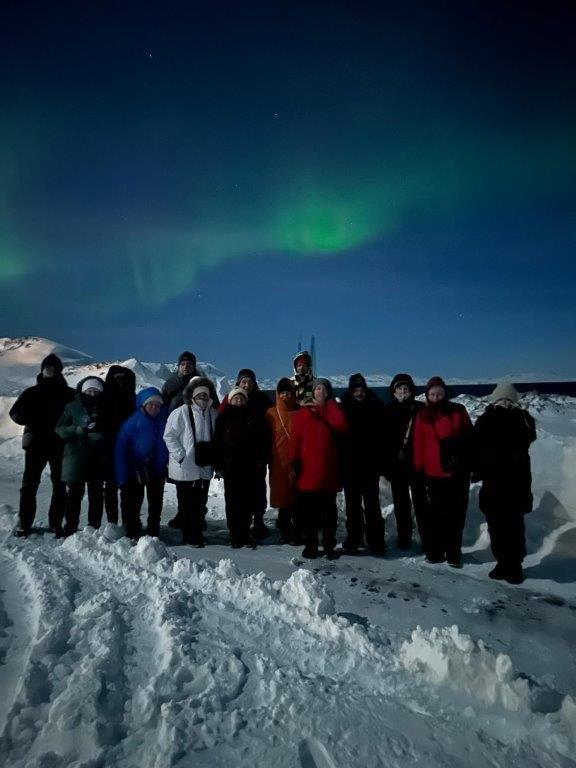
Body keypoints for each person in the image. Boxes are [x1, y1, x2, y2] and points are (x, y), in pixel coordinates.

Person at [473, 382, 536, 585]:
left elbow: (528, 437)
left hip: (516, 484)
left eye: (509, 400)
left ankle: (515, 565)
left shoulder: (522, 420)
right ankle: (501, 562)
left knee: (515, 526)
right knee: (495, 526)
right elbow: (478, 448)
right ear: (494, 400)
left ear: (514, 402)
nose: (505, 403)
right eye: (501, 399)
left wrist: (514, 417)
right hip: (493, 484)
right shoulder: (485, 420)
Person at [9, 353, 74, 536]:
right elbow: (15, 413)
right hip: (36, 444)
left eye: (53, 369)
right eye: (47, 368)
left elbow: (78, 415)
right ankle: (25, 523)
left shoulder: (68, 394)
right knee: (29, 485)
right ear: (42, 370)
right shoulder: (31, 393)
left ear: (59, 371)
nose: (49, 372)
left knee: (60, 486)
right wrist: (30, 418)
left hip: (59, 445)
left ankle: (55, 524)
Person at [412, 376, 473, 567]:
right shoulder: (422, 415)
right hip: (433, 473)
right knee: (436, 516)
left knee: (456, 515)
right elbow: (418, 443)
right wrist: (418, 468)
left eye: (439, 393)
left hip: (457, 473)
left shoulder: (458, 411)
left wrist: (466, 461)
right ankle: (436, 551)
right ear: (427, 395)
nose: (436, 397)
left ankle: (454, 553)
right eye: (432, 394)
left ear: (445, 393)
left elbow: (470, 437)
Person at [290, 378, 348, 559]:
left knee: (329, 513)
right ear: (313, 392)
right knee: (310, 514)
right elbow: (295, 440)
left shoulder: (334, 411)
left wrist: (332, 406)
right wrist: (294, 461)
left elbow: (342, 425)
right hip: (307, 472)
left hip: (329, 471)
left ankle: (329, 545)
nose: (320, 392)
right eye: (318, 389)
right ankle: (311, 545)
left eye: (324, 389)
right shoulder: (302, 413)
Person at [163, 378, 218, 547]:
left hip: (204, 465)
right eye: (199, 394)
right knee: (187, 503)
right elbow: (169, 436)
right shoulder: (180, 412)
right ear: (192, 396)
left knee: (200, 502)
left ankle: (196, 530)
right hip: (185, 467)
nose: (202, 397)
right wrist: (181, 456)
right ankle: (190, 535)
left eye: (205, 394)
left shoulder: (213, 413)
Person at [212, 386, 269, 548]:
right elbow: (216, 443)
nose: (239, 400)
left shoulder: (252, 418)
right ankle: (234, 533)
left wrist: (260, 460)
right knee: (232, 501)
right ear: (230, 400)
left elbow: (261, 442)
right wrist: (217, 465)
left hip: (249, 467)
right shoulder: (222, 419)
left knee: (247, 502)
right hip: (230, 468)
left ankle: (244, 533)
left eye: (242, 398)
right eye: (236, 398)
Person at [55, 376, 110, 536]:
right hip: (75, 457)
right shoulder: (72, 407)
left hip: (98, 457)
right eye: (90, 391)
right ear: (83, 391)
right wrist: (76, 429)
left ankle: (94, 529)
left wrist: (101, 433)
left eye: (96, 392)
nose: (93, 394)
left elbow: (111, 431)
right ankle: (70, 527)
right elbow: (59, 429)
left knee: (97, 494)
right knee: (74, 494)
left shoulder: (105, 408)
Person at [340, 374, 386, 555]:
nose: (359, 393)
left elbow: (383, 437)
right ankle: (354, 538)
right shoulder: (343, 408)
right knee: (352, 505)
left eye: (361, 390)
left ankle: (376, 542)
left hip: (370, 465)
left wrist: (380, 461)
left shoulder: (376, 407)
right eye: (355, 390)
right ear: (350, 391)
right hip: (349, 465)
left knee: (372, 505)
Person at [115, 387, 169, 540]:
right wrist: (123, 476)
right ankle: (132, 529)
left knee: (156, 502)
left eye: (158, 405)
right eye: (151, 404)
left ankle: (154, 531)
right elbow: (121, 449)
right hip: (136, 470)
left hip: (157, 470)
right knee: (134, 501)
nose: (154, 407)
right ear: (143, 405)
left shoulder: (164, 422)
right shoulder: (133, 422)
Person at [383, 373, 426, 550]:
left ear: (411, 391)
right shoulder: (388, 410)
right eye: (399, 388)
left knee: (421, 504)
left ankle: (427, 538)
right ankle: (404, 537)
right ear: (393, 391)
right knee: (401, 505)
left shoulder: (420, 409)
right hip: (397, 466)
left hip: (417, 464)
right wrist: (386, 466)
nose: (402, 391)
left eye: (405, 388)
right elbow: (382, 440)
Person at [266, 378, 301, 544]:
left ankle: (297, 531)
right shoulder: (271, 413)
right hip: (278, 462)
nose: (285, 395)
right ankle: (285, 531)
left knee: (297, 498)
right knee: (283, 498)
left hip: (298, 461)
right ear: (278, 394)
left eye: (288, 392)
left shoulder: (300, 412)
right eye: (282, 393)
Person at [103, 365, 136, 525]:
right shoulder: (104, 399)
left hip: (127, 449)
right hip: (109, 448)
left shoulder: (133, 400)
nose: (120, 382)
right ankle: (113, 523)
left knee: (126, 488)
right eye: (117, 379)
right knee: (111, 487)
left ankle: (126, 523)